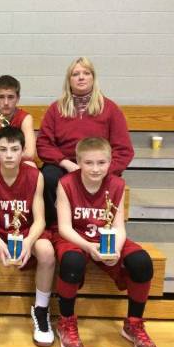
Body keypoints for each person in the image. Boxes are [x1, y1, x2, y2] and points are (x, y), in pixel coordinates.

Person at [54, 137, 157, 347]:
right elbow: (64, 227)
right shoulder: (66, 183)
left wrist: (117, 249)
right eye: (89, 163)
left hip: (106, 237)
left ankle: (134, 324)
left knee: (142, 262)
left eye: (101, 163)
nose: (95, 168)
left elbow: (119, 225)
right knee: (72, 262)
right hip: (77, 237)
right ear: (79, 162)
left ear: (110, 162)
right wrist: (90, 247)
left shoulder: (117, 185)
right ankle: (66, 322)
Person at [0, 127, 55, 347]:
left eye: (14, 149)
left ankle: (41, 310)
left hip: (24, 230)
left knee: (46, 251)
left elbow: (40, 220)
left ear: (23, 151)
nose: (8, 155)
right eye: (3, 149)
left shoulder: (35, 176)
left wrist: (27, 242)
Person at [36, 57, 134, 227]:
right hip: (65, 165)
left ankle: (96, 226)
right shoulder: (56, 109)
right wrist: (67, 164)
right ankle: (56, 226)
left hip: (97, 165)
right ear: (69, 80)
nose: (81, 77)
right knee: (49, 177)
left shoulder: (110, 109)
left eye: (86, 73)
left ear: (93, 78)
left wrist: (101, 169)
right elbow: (44, 144)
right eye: (75, 74)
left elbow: (124, 150)